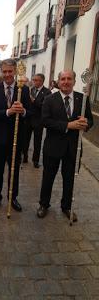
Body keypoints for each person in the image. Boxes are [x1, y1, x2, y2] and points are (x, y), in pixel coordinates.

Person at [37, 70, 93, 221]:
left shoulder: (82, 99)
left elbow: (90, 120)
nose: (66, 82)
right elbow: (45, 121)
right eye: (63, 79)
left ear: (74, 81)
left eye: (69, 79)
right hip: (53, 146)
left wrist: (85, 123)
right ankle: (44, 204)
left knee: (69, 179)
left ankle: (67, 207)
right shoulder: (49, 99)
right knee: (48, 177)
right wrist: (68, 125)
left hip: (73, 148)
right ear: (58, 81)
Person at [0, 58, 31, 212]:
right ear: (2, 72)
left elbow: (30, 113)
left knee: (14, 170)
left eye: (10, 71)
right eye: (4, 71)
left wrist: (23, 111)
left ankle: (13, 197)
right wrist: (9, 112)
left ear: (15, 72)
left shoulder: (23, 90)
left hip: (16, 138)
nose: (7, 74)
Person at [23, 73, 51, 168]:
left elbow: (44, 106)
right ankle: (25, 157)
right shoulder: (31, 90)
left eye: (37, 80)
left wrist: (34, 100)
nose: (35, 82)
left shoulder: (47, 92)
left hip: (39, 121)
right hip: (28, 119)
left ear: (42, 81)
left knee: (37, 141)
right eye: (34, 80)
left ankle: (35, 160)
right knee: (25, 139)